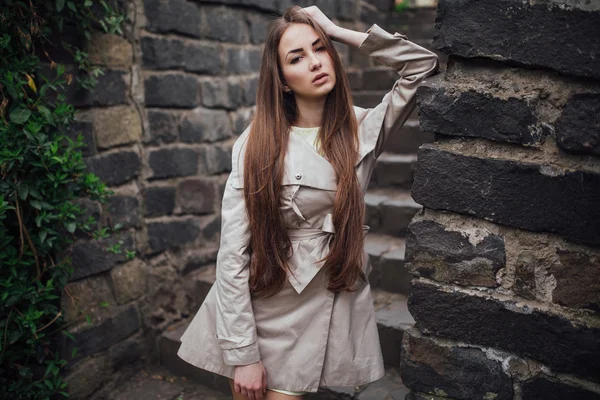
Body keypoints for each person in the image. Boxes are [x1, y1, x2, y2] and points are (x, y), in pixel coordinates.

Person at [177, 4, 439, 399]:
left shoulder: (360, 129)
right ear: (282, 80)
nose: (315, 62)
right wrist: (243, 354)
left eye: (320, 49)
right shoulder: (257, 143)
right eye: (297, 57)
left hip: (331, 288)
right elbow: (232, 252)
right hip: (266, 302)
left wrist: (340, 31)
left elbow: (422, 67)